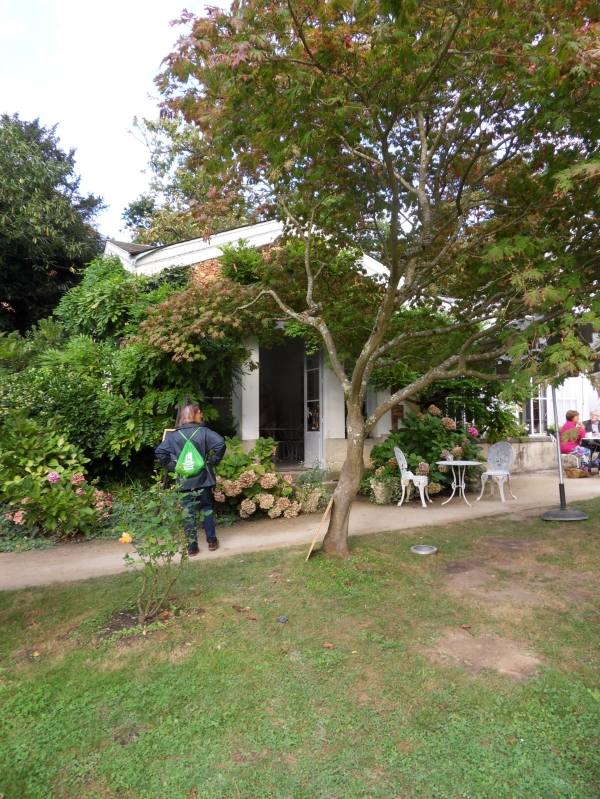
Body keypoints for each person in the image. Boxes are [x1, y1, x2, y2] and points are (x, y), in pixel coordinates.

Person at [155, 404, 226, 555]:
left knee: (188, 511)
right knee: (206, 508)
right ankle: (211, 541)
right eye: (199, 412)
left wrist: (173, 466)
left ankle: (192, 547)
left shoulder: (174, 435)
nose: (202, 415)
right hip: (203, 478)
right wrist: (213, 461)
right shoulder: (204, 432)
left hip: (184, 479)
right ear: (193, 415)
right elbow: (220, 443)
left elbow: (160, 451)